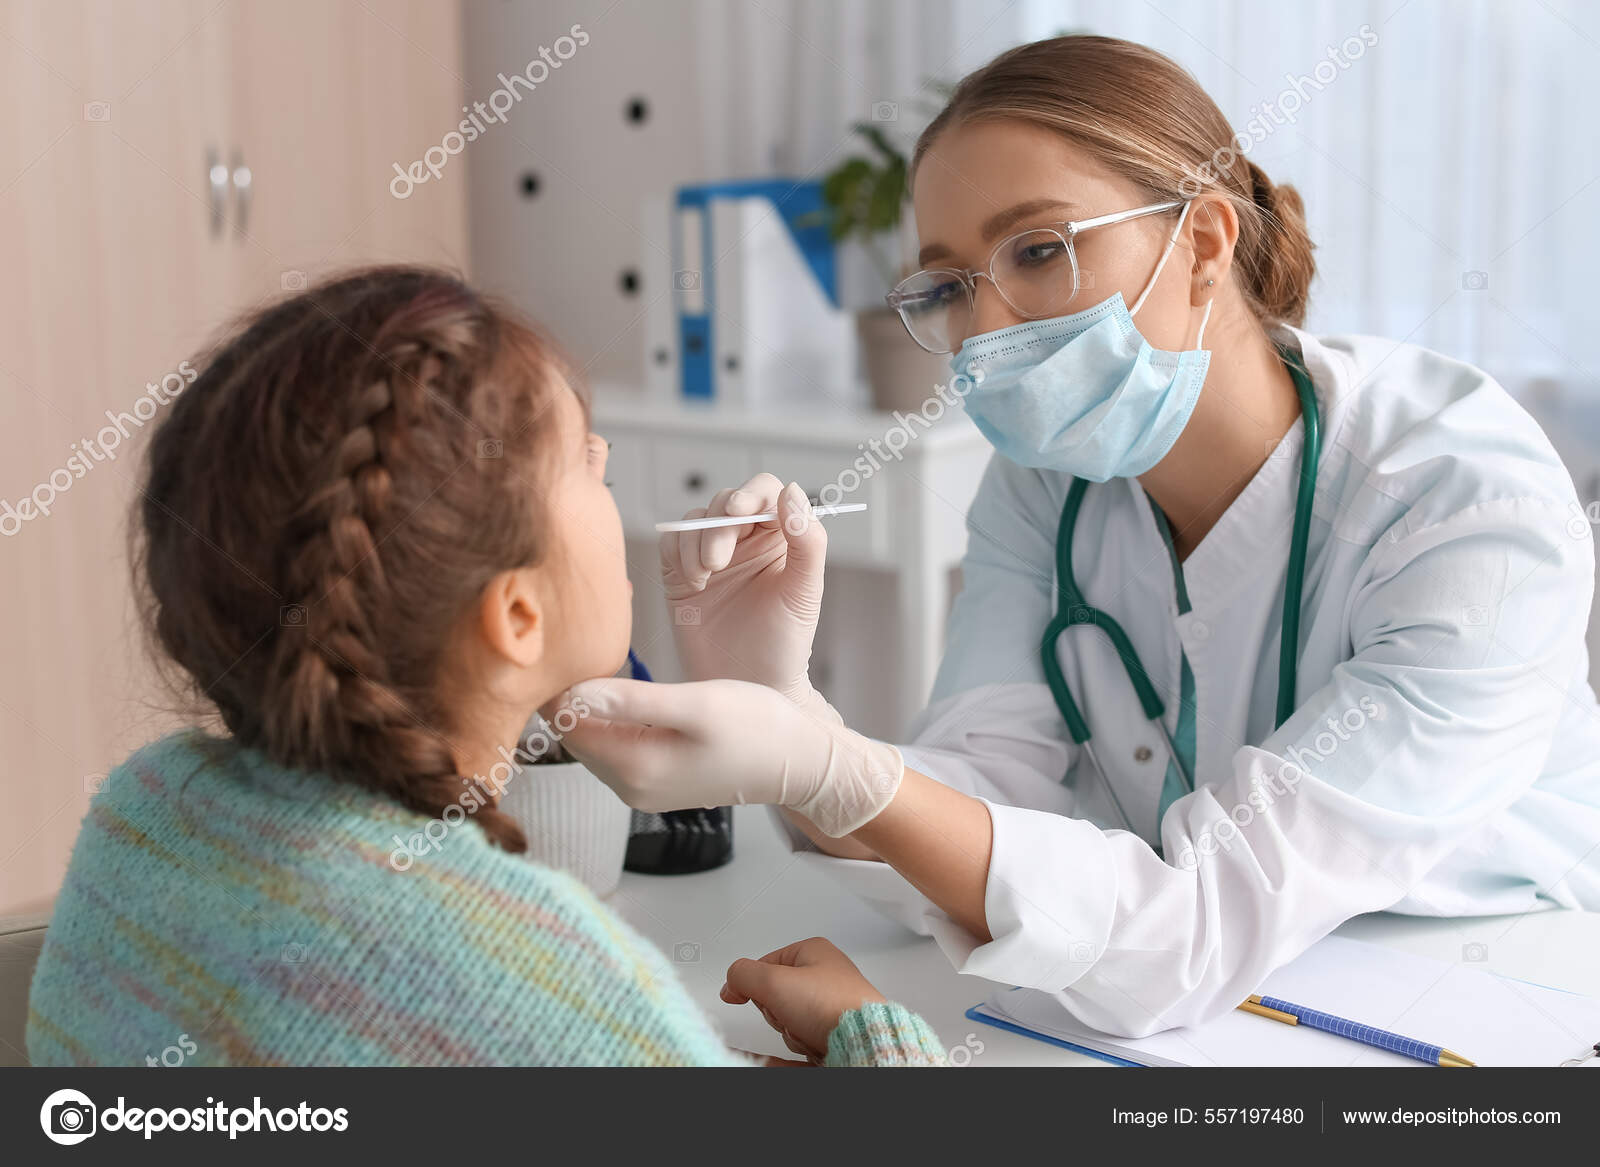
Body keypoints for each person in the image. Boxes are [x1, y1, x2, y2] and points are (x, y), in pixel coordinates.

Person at [558, 35, 1600, 1038]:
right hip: (1204, 996)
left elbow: (1192, 925)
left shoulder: (1463, 502)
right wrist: (787, 722)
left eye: (1040, 251)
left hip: (1492, 976)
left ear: (1202, 240)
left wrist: (837, 770)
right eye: (953, 286)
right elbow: (974, 791)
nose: (992, 331)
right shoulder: (1040, 487)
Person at [26, 267, 943, 1067]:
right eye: (583, 457)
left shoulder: (144, 816)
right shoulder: (548, 983)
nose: (608, 461)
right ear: (515, 614)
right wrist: (877, 1031)